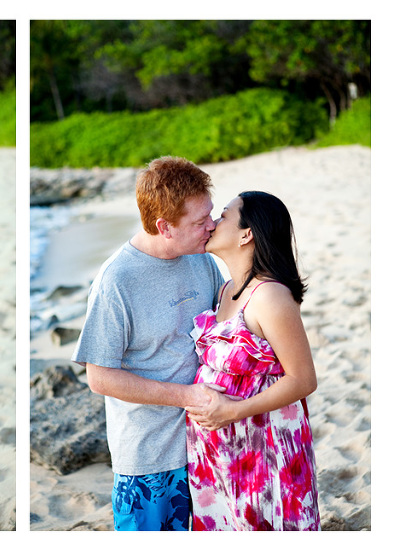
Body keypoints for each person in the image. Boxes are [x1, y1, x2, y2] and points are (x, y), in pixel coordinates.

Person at [72, 156, 226, 531]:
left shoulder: (201, 259)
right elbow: (100, 378)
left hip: (207, 445)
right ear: (164, 227)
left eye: (211, 214)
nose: (212, 226)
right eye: (200, 221)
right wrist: (190, 397)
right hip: (149, 458)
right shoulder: (117, 281)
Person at [185, 191, 320, 530]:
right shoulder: (225, 290)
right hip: (217, 454)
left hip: (264, 450)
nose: (214, 222)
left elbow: (303, 380)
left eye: (225, 215)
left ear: (247, 234)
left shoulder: (270, 296)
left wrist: (232, 411)